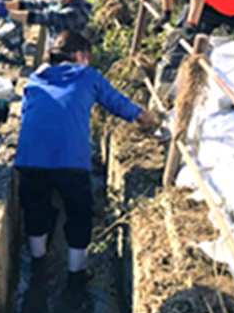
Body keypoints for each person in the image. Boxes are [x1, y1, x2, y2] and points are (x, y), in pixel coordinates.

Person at [15, 31, 155, 284]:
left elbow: (27, 116)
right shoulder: (87, 76)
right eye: (88, 57)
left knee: (35, 207)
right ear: (80, 55)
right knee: (79, 212)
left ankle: (39, 262)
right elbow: (117, 103)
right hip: (71, 160)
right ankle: (76, 271)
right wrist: (146, 118)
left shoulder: (34, 79)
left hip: (30, 157)